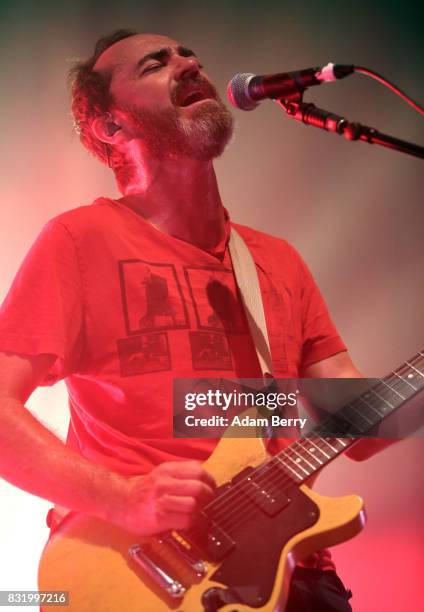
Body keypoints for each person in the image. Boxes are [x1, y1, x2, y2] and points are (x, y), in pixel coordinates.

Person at [0, 29, 391, 611]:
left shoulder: (276, 260)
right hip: (143, 576)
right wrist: (122, 497)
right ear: (111, 126)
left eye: (190, 56)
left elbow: (355, 423)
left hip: (296, 569)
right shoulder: (78, 241)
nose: (188, 64)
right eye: (157, 64)